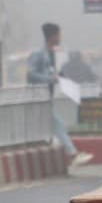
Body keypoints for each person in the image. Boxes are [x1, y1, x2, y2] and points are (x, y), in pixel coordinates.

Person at [27, 22, 78, 157]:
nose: (60, 38)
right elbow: (30, 74)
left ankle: (51, 147)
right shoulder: (38, 54)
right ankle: (72, 153)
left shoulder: (52, 54)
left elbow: (53, 73)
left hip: (47, 97)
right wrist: (49, 79)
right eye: (58, 35)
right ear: (53, 36)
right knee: (58, 123)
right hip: (38, 97)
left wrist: (61, 79)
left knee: (48, 125)